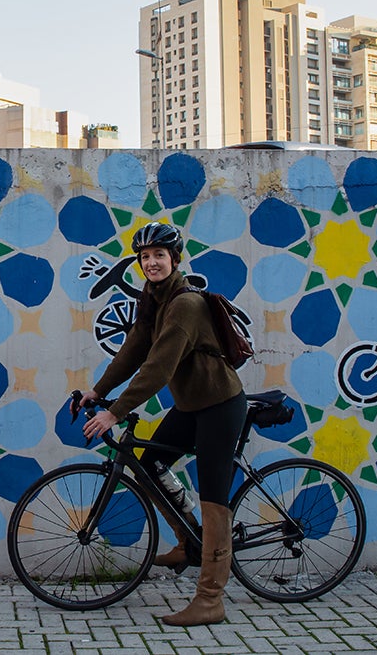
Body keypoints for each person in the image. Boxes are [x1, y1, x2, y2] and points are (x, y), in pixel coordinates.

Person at [79, 222, 246, 627]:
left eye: (159, 255)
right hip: (192, 403)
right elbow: (135, 347)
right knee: (151, 465)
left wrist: (114, 412)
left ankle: (210, 599)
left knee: (213, 497)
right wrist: (96, 391)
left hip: (219, 404)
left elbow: (159, 366)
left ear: (174, 259)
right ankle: (191, 542)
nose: (151, 262)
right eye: (145, 256)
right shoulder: (153, 298)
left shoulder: (185, 304)